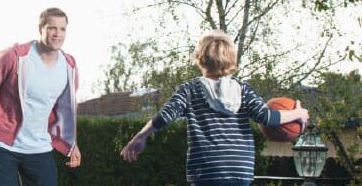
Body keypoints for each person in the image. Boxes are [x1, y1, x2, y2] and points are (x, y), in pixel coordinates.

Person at [120, 30, 309, 186]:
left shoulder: (189, 90)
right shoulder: (243, 90)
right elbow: (266, 116)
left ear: (200, 59)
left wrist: (140, 137)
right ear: (231, 61)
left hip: (205, 171)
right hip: (239, 171)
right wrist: (297, 113)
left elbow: (165, 116)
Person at [0, 7, 82, 186]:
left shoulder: (69, 65)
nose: (58, 34)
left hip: (40, 148)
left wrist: (72, 143)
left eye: (62, 29)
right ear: (40, 29)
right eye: (52, 28)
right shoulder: (15, 56)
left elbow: (67, 109)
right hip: (4, 145)